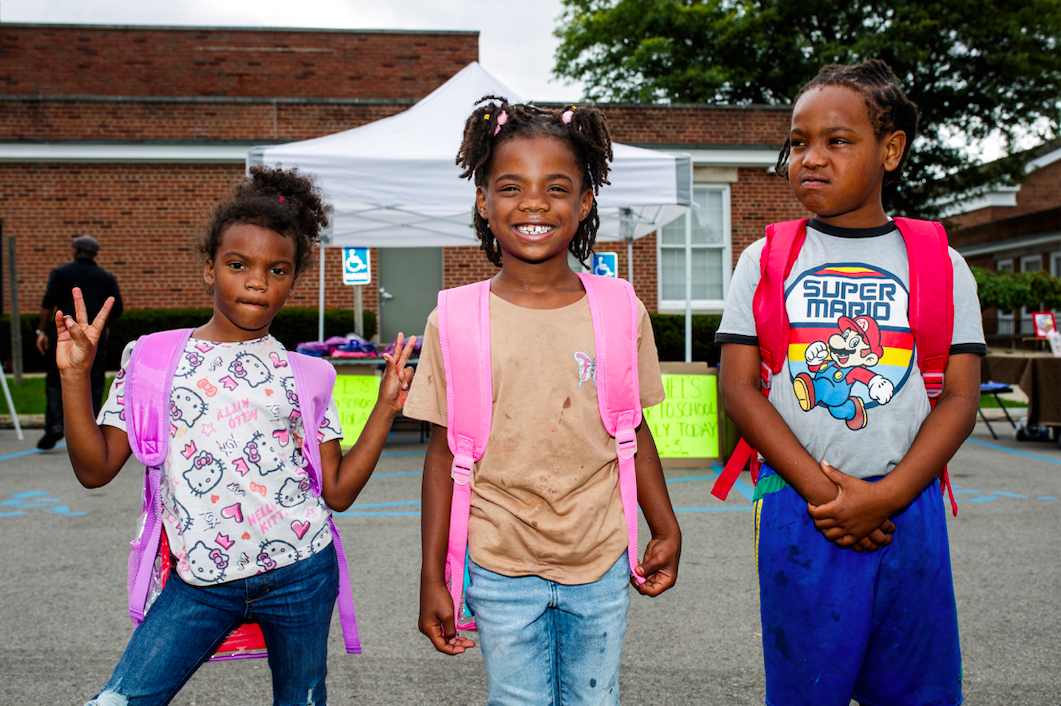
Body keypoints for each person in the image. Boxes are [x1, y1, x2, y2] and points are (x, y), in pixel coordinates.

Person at [58, 165, 416, 706]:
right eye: (237, 264)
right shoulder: (153, 357)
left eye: (278, 270)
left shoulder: (310, 374)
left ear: (293, 280)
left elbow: (337, 492)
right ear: (209, 269)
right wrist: (73, 376)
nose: (257, 281)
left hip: (302, 572)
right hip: (198, 581)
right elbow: (94, 469)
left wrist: (386, 408)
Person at [715, 60, 985, 706]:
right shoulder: (765, 258)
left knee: (915, 690)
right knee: (805, 689)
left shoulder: (939, 263)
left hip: (908, 507)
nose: (810, 157)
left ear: (890, 151)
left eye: (835, 141)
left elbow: (960, 397)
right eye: (797, 141)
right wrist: (826, 493)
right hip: (797, 508)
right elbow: (738, 388)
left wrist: (886, 494)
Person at [406, 98, 682, 706]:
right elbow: (441, 457)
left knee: (594, 698)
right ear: (483, 200)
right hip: (498, 559)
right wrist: (434, 575)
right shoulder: (452, 317)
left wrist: (666, 524)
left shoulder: (618, 309)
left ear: (585, 202)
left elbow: (631, 431)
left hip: (601, 556)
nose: (533, 202)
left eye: (556, 187)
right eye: (511, 186)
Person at [36, 234, 123, 450]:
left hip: (65, 342)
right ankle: (91, 428)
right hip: (95, 341)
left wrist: (41, 330)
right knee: (94, 385)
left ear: (75, 250)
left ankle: (55, 425)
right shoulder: (106, 277)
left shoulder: (61, 273)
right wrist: (105, 325)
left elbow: (48, 302)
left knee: (55, 383)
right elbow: (117, 307)